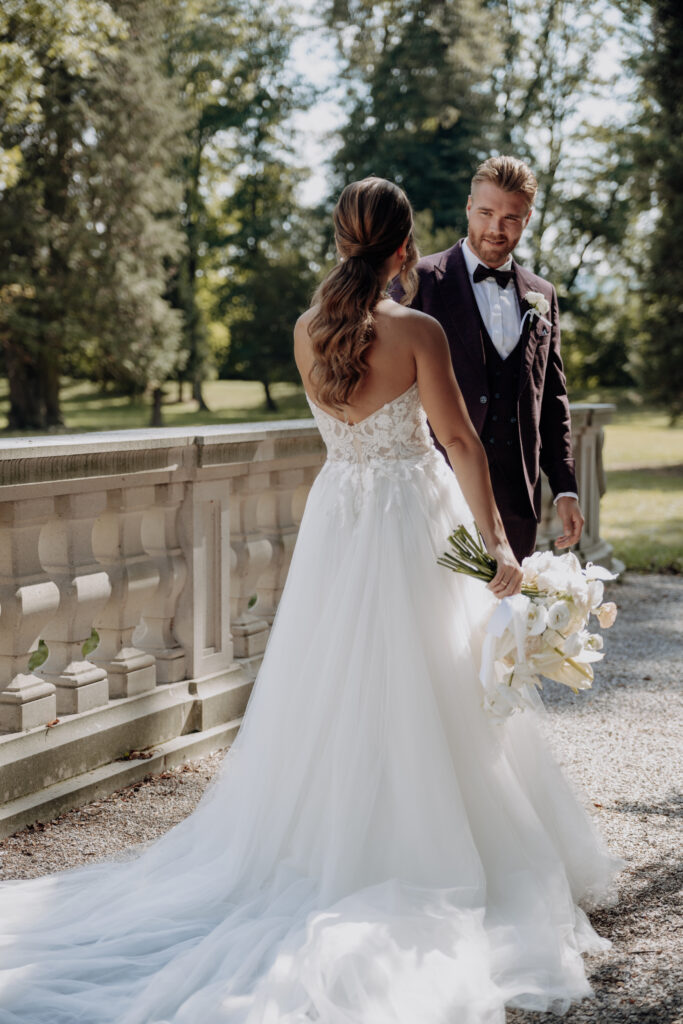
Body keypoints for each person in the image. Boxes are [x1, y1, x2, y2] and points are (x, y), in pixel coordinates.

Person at [0, 177, 619, 1024]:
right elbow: (461, 441)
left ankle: (323, 839)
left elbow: (353, 430)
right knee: (433, 675)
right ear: (405, 248)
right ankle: (431, 849)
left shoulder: (307, 331)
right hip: (414, 519)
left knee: (334, 681)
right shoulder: (418, 331)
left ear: (341, 242)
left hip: (341, 520)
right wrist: (498, 548)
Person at [393, 155, 583, 562]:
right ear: (468, 207)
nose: (496, 228)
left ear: (527, 219)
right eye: (485, 212)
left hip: (518, 501)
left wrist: (565, 488)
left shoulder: (543, 294)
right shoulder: (419, 282)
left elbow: (552, 399)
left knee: (508, 622)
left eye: (511, 218)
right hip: (440, 493)